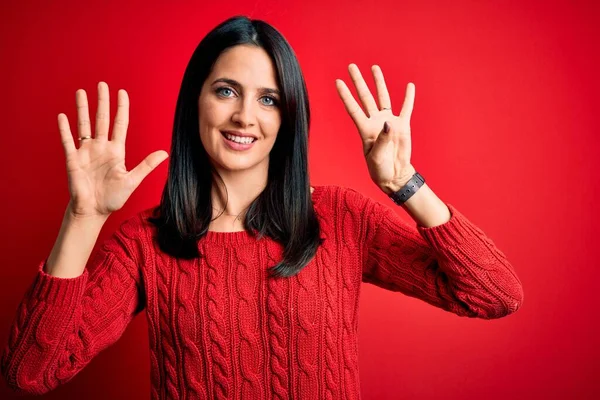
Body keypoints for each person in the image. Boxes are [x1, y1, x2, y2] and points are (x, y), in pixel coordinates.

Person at [0, 15, 523, 399]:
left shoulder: (340, 220)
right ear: (196, 102)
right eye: (226, 91)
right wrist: (84, 218)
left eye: (268, 99)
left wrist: (404, 182)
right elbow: (32, 372)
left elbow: (495, 294)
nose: (245, 116)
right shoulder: (148, 241)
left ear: (288, 116)